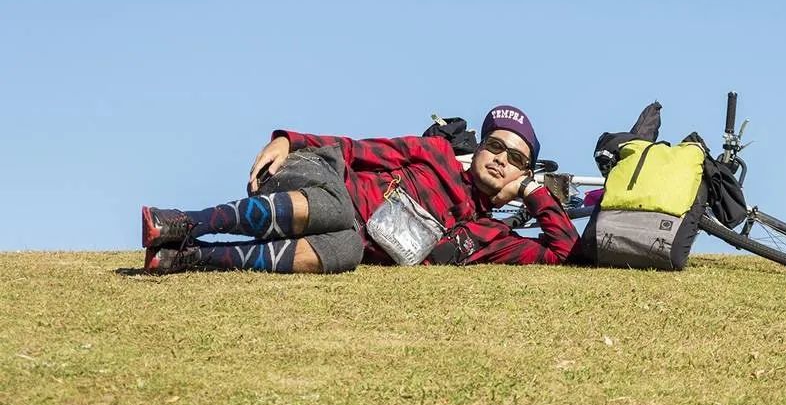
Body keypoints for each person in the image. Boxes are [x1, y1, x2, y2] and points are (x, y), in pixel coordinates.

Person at [142, 105, 580, 274]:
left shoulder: (490, 238)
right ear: (480, 148)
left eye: (516, 159)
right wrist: (289, 140)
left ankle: (188, 257)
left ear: (522, 172)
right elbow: (354, 149)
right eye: (496, 146)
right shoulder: (435, 154)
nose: (501, 159)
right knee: (338, 209)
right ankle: (183, 222)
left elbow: (564, 252)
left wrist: (533, 192)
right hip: (316, 175)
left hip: (337, 231)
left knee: (348, 249)